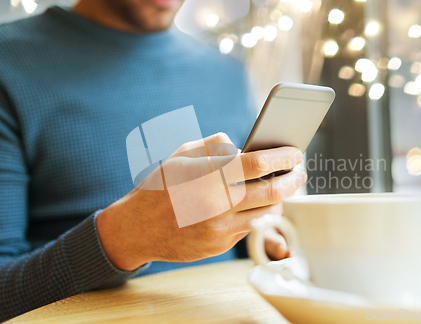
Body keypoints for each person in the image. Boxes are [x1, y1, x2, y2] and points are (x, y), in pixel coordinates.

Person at [0, 0, 307, 320]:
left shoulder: (227, 74)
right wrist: (123, 239)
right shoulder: (8, 61)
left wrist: (260, 231)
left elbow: (239, 225)